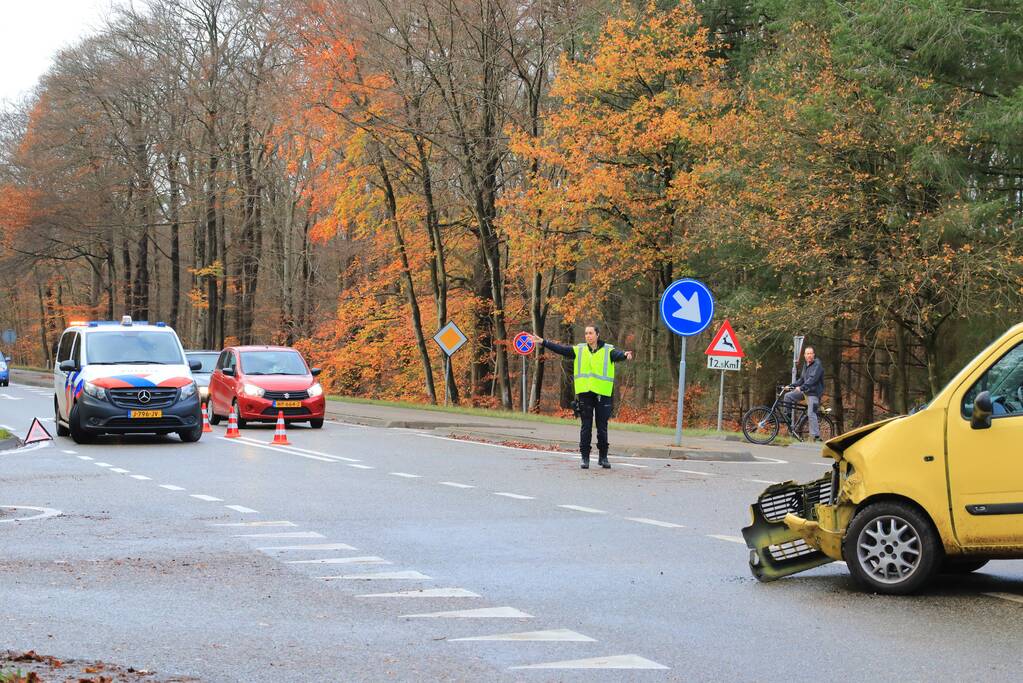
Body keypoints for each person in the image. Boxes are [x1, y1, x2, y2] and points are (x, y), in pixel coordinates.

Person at [525, 327, 633, 469]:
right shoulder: (579, 350)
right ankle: (585, 458)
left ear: (597, 334)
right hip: (585, 393)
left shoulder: (608, 350)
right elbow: (561, 349)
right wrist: (543, 342)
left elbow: (619, 355)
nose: (588, 336)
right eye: (586, 333)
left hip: (603, 394)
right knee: (585, 426)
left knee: (602, 427)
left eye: (591, 333)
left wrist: (625, 355)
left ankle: (603, 457)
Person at [784, 346, 825, 441]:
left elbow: (812, 380)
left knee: (811, 413)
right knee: (788, 396)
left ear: (814, 355)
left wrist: (801, 388)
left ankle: (816, 436)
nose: (809, 355)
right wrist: (791, 386)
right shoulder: (806, 365)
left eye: (811, 353)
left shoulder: (817, 365)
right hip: (805, 391)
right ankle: (788, 419)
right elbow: (802, 379)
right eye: (807, 353)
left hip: (813, 393)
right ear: (804, 355)